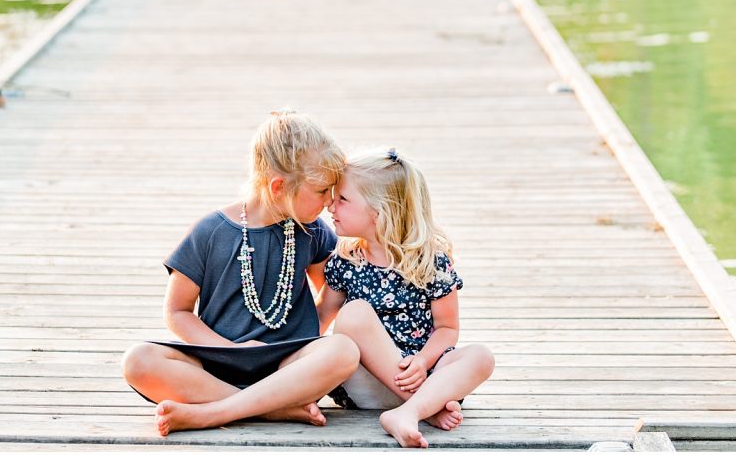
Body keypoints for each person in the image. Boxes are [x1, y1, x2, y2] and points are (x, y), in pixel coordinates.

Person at [122, 110, 360, 436]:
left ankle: (219, 411)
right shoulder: (210, 231)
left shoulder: (311, 231)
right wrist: (230, 350)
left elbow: (331, 294)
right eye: (321, 191)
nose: (330, 201)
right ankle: (271, 410)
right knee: (139, 360)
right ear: (278, 187)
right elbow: (177, 312)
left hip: (287, 367)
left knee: (343, 350)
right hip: (218, 365)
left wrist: (310, 328)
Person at [318, 147, 495, 449]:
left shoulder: (432, 262)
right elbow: (320, 319)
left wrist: (421, 361)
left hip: (423, 377)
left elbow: (447, 329)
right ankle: (427, 409)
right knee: (354, 314)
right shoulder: (346, 260)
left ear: (380, 211)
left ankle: (409, 411)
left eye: (343, 199)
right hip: (365, 383)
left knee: (481, 356)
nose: (330, 206)